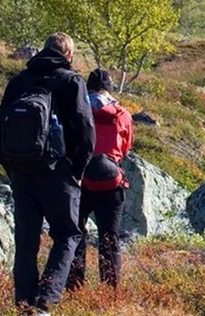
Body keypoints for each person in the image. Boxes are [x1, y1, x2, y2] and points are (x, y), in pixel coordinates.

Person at [0, 32, 95, 316]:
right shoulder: (71, 81)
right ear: (69, 55)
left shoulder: (19, 81)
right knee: (68, 235)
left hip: (22, 173)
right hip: (58, 173)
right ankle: (44, 304)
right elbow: (86, 131)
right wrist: (77, 170)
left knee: (26, 244)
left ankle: (24, 305)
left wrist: (11, 168)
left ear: (43, 50)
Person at [67, 68, 134, 290]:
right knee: (109, 238)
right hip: (111, 182)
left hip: (81, 181)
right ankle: (109, 291)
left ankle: (74, 286)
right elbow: (126, 148)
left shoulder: (78, 111)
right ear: (109, 89)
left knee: (76, 234)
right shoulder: (122, 114)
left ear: (88, 88)